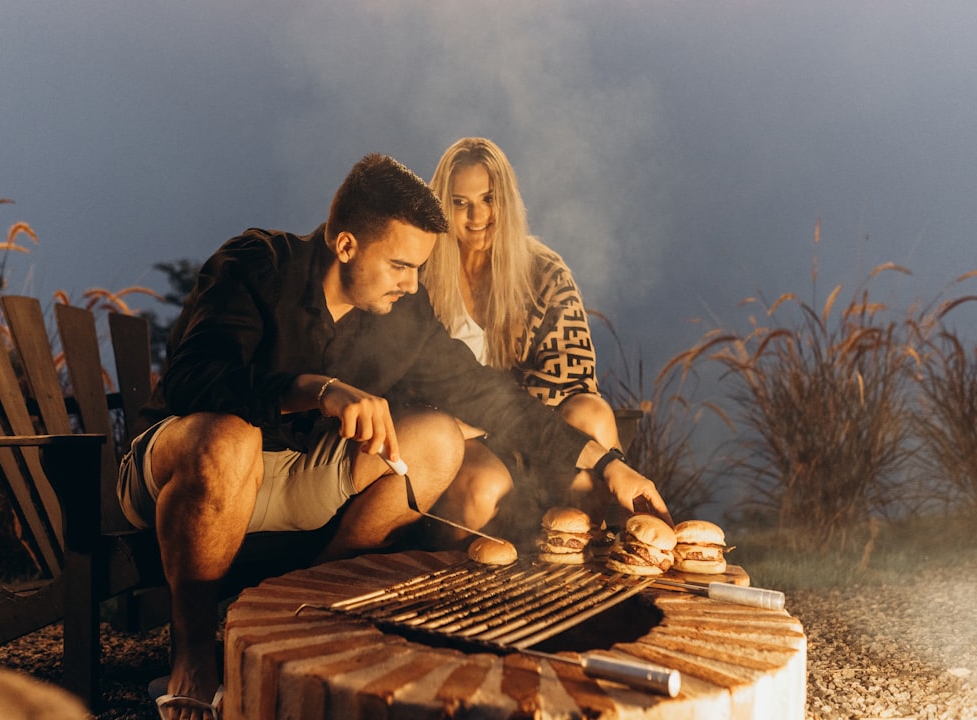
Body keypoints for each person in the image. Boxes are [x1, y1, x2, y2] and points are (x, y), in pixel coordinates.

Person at [117, 153, 670, 719]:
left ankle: (304, 618)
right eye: (401, 266)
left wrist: (608, 465)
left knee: (436, 437)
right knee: (228, 439)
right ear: (347, 244)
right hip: (186, 468)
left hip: (296, 478)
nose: (412, 284)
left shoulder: (402, 317)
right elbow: (192, 381)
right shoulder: (256, 264)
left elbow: (490, 397)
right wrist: (314, 387)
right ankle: (193, 658)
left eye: (420, 269)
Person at [422, 137, 625, 538]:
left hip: (529, 425)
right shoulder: (421, 272)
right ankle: (465, 578)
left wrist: (501, 423)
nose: (477, 215)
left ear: (507, 201)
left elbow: (574, 377)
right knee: (483, 488)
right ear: (443, 205)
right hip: (458, 431)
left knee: (594, 415)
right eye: (461, 202)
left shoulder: (544, 272)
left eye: (489, 198)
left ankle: (583, 561)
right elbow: (410, 372)